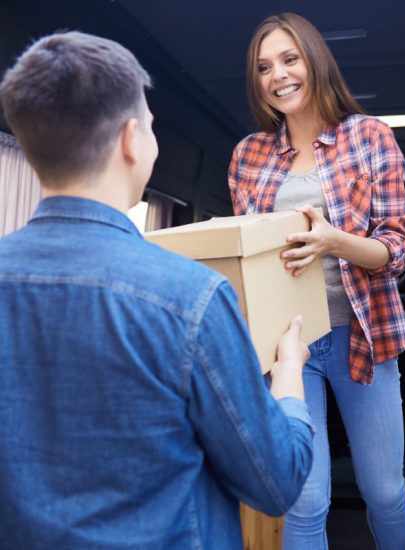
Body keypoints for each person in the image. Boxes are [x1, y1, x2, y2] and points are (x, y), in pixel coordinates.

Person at [0, 31, 314, 549]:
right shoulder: (191, 298)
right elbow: (275, 481)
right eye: (149, 125)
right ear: (130, 140)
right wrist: (288, 375)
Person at [228, 12, 405, 550]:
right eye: (263, 67)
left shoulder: (371, 137)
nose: (277, 75)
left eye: (289, 59)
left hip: (366, 336)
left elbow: (396, 251)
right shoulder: (248, 155)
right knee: (305, 502)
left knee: (384, 491)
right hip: (289, 344)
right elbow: (250, 253)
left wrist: (335, 242)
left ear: (315, 60)